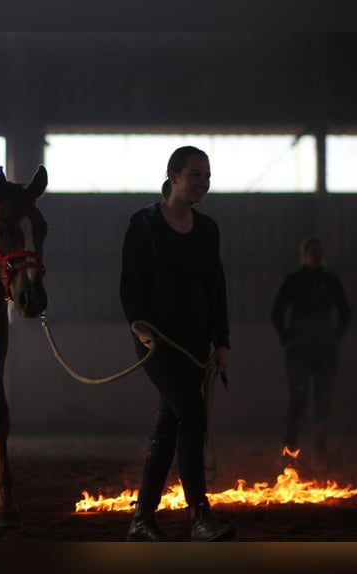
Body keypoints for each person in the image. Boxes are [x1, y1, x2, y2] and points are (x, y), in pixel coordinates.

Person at [119, 145, 236, 542]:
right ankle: (199, 516)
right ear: (173, 176)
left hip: (196, 344)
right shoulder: (145, 224)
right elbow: (130, 286)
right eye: (195, 175)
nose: (203, 183)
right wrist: (139, 326)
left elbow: (216, 288)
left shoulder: (207, 230)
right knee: (191, 416)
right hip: (157, 343)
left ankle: (141, 520)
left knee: (168, 427)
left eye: (207, 176)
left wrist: (221, 342)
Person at [271, 237, 351, 464]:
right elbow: (277, 312)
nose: (316, 255)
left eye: (319, 252)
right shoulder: (294, 281)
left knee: (323, 398)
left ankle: (320, 448)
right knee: (299, 396)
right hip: (299, 350)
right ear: (304, 255)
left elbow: (345, 310)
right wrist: (287, 339)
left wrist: (335, 337)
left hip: (325, 350)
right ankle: (290, 446)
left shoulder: (330, 280)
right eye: (312, 252)